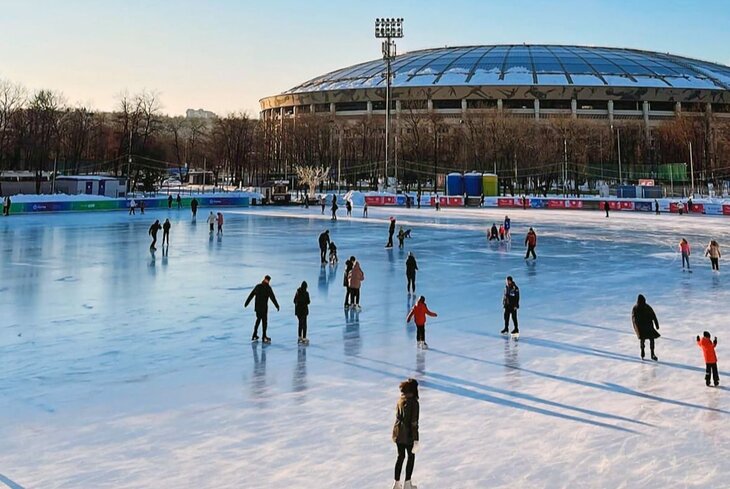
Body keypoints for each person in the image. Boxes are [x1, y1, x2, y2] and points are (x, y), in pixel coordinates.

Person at [392, 378, 420, 489]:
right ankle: (407, 483)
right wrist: (416, 439)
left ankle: (396, 484)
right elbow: (414, 422)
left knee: (400, 456)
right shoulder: (414, 403)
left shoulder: (400, 399)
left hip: (398, 433)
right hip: (408, 434)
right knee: (411, 456)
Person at [244, 275, 280, 343]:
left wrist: (246, 303)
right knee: (263, 322)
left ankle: (255, 335)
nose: (268, 281)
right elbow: (272, 298)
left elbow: (251, 295)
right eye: (268, 280)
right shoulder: (266, 288)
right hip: (263, 308)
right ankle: (263, 337)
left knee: (259, 321)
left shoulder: (259, 286)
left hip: (258, 308)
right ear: (267, 280)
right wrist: (277, 306)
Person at [631, 294, 660, 361]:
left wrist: (656, 324)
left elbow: (653, 315)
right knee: (642, 340)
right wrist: (637, 329)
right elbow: (634, 320)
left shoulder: (647, 307)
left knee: (651, 339)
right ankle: (642, 351)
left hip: (649, 326)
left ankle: (652, 354)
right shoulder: (635, 308)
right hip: (641, 327)